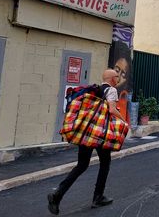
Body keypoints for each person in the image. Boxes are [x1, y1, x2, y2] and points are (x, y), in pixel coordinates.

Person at [47, 69, 126, 215]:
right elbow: (112, 109)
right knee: (105, 163)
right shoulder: (112, 90)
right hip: (100, 134)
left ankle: (57, 194)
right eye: (116, 76)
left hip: (87, 132)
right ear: (111, 78)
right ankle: (98, 197)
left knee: (81, 165)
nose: (118, 78)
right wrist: (124, 121)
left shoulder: (94, 90)